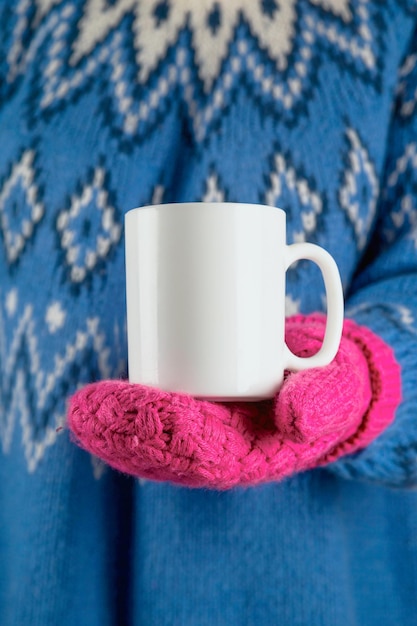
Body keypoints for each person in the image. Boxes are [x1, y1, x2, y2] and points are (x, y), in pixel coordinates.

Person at [1, 0, 417, 624]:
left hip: (311, 585)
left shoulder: (389, 21)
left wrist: (368, 377)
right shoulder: (19, 19)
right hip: (41, 562)